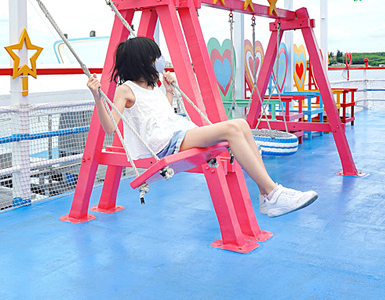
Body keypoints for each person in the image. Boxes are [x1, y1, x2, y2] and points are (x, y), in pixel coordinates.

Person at [86, 36, 317, 218]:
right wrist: (98, 97)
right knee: (232, 130)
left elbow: (161, 115)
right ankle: (274, 194)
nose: (159, 61)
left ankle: (267, 194)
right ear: (141, 62)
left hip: (174, 132)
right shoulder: (126, 89)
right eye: (154, 58)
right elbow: (110, 128)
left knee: (241, 124)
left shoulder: (151, 88)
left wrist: (168, 91)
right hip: (164, 143)